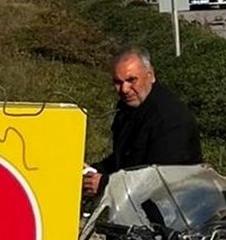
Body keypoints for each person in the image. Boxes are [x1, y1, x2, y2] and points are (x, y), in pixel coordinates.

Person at [82, 47, 202, 195]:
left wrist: (107, 184)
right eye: (118, 82)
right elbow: (125, 157)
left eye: (132, 80)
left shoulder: (170, 120)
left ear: (150, 75)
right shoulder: (129, 107)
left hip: (173, 206)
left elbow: (160, 179)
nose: (125, 89)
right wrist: (96, 170)